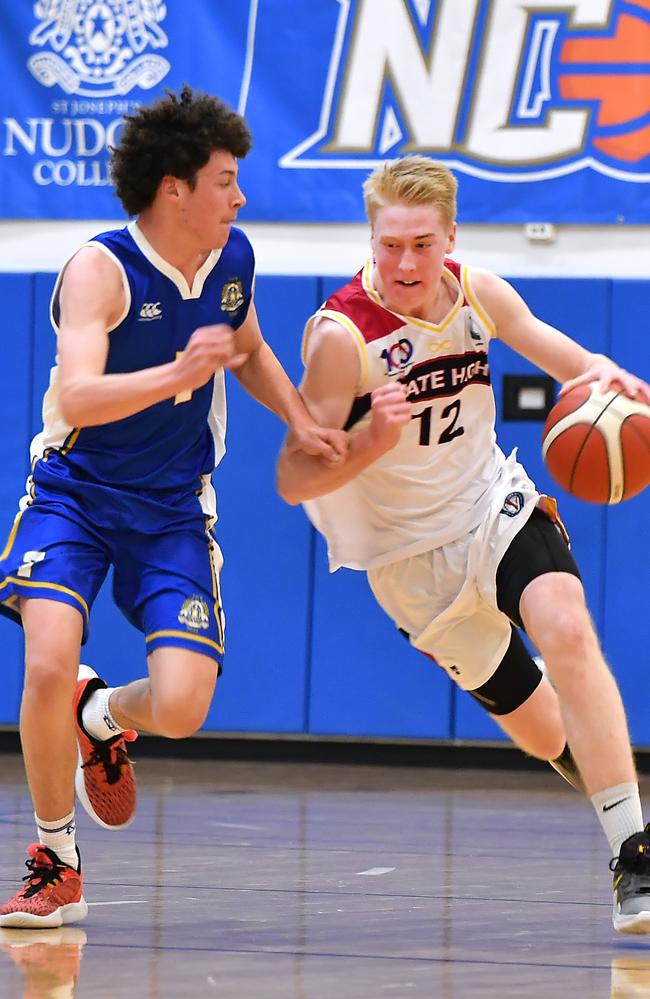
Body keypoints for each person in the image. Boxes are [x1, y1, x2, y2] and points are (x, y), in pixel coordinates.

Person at [276, 155, 650, 935]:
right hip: (409, 563)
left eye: (422, 244)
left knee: (568, 625)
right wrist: (366, 445)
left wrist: (610, 381)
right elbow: (291, 477)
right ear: (370, 238)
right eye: (390, 245)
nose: (406, 263)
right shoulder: (342, 337)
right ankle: (587, 741)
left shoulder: (478, 292)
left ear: (451, 235)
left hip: (492, 506)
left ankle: (635, 858)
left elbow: (564, 358)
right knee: (548, 733)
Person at [0, 85, 345, 928]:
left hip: (172, 507)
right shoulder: (99, 268)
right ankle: (56, 857)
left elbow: (251, 347)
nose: (241, 196)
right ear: (174, 188)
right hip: (76, 495)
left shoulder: (233, 261)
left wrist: (302, 417)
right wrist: (178, 375)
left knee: (184, 705)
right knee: (46, 659)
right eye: (226, 179)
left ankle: (102, 714)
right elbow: (77, 397)